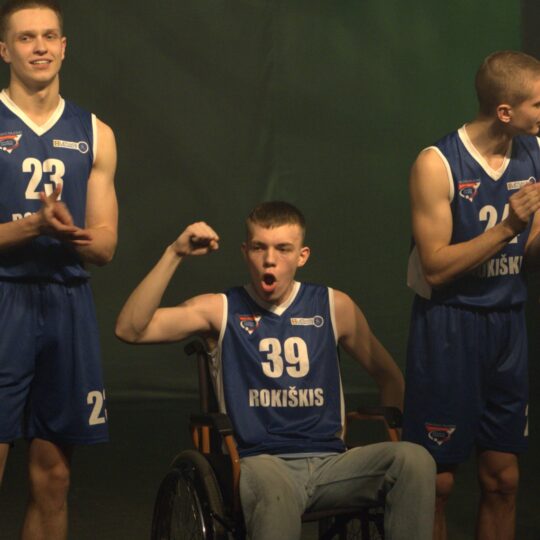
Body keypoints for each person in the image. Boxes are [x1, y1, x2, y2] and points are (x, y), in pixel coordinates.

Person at [116, 201, 436, 540]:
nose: (270, 259)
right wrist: (174, 253)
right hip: (261, 462)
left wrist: (387, 425)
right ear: (245, 252)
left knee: (414, 460)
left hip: (331, 464)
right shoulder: (220, 309)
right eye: (259, 247)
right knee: (273, 489)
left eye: (283, 249)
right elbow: (130, 329)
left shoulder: (334, 306)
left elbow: (389, 377)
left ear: (302, 255)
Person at [404, 50, 540, 540]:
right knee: (437, 483)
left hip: (507, 327)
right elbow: (436, 267)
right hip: (449, 325)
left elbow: (530, 252)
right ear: (505, 111)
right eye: (537, 104)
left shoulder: (534, 152)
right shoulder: (436, 163)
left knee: (503, 480)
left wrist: (528, 231)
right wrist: (507, 227)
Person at [0, 1, 118, 538]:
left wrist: (73, 235)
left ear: (64, 47)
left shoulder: (96, 132)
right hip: (4, 298)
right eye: (26, 38)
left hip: (67, 304)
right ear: (5, 50)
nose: (40, 47)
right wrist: (35, 225)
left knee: (54, 478)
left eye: (49, 36)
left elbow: (106, 246)